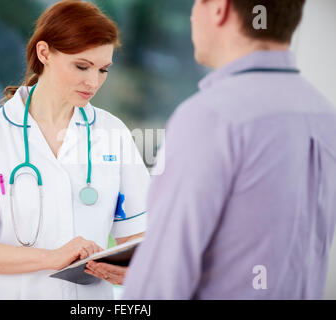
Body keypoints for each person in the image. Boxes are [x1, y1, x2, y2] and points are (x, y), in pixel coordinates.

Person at [123, 0, 336, 299]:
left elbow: (159, 285)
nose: (193, 14)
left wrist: (147, 272)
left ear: (220, 8)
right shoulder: (324, 115)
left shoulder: (212, 116)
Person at [0, 0, 150, 299]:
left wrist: (132, 269)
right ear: (44, 52)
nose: (93, 82)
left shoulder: (112, 133)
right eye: (81, 66)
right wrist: (51, 258)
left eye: (103, 70)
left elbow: (136, 236)